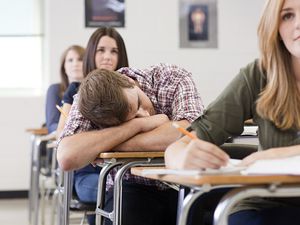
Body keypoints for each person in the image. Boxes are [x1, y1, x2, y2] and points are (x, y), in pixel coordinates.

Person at [165, 0, 300, 224]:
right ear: (275, 26)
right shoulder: (258, 76)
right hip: (264, 204)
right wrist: (182, 159)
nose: (298, 24)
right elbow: (177, 147)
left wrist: (275, 156)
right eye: (287, 15)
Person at [57, 64, 204, 225]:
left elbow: (192, 132)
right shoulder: (90, 99)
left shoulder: (173, 77)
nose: (145, 114)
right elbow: (67, 156)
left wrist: (108, 142)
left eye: (139, 102)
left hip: (184, 181)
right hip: (132, 185)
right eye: (131, 118)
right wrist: (137, 126)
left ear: (128, 80)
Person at [56, 27, 129, 225]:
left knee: (133, 191)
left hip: (123, 170)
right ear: (91, 54)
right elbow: (61, 135)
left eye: (114, 51)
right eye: (101, 50)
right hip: (88, 174)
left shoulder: (129, 89)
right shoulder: (76, 90)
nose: (107, 57)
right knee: (120, 192)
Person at [45, 45, 85, 133]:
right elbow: (52, 125)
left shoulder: (94, 91)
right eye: (70, 60)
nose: (75, 64)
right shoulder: (55, 90)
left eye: (80, 59)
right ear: (64, 67)